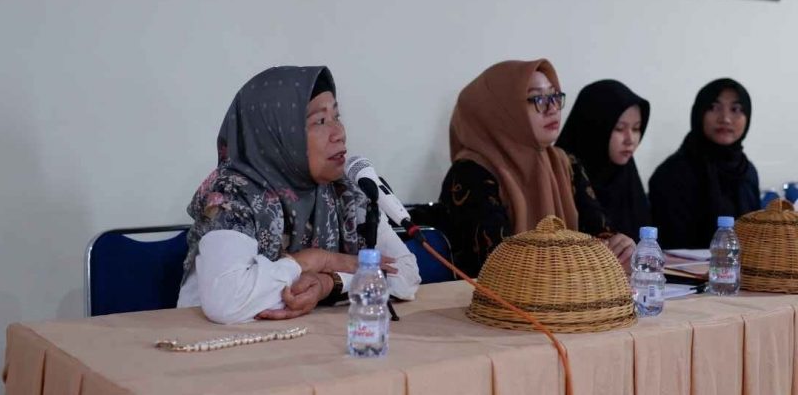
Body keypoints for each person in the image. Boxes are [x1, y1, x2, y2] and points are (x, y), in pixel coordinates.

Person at [177, 66, 420, 324]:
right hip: (206, 340)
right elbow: (227, 302)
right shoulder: (232, 195)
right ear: (277, 133)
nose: (339, 133)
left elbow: (405, 275)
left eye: (337, 116)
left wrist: (329, 283)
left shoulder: (346, 191)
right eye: (320, 121)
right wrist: (317, 260)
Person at [439, 59, 635, 278]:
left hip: (568, 294)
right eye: (538, 99)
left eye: (554, 96)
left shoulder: (565, 163)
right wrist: (584, 261)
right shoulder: (471, 172)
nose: (552, 108)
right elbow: (496, 261)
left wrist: (620, 248)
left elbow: (598, 231)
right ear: (503, 110)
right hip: (495, 298)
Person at [649, 78, 759, 249]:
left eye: (736, 109)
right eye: (714, 107)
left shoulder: (747, 171)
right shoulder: (672, 173)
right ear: (699, 113)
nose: (725, 119)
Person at [557, 80, 651, 240]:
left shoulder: (627, 175)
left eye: (636, 128)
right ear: (595, 128)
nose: (630, 140)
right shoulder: (563, 174)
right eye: (619, 128)